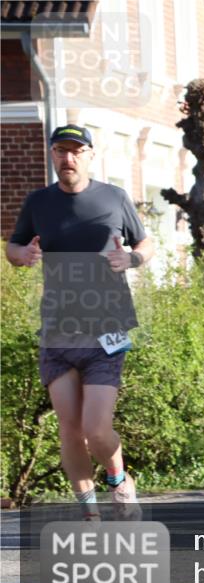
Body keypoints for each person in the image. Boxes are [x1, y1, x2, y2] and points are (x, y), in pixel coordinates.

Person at [6, 124, 155, 521]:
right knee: (70, 430)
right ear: (53, 155)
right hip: (57, 330)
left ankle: (119, 480)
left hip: (106, 329)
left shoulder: (114, 197)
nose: (68, 158)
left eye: (76, 151)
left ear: (90, 154)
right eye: (61, 151)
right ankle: (90, 514)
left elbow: (145, 243)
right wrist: (22, 255)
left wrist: (132, 259)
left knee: (96, 429)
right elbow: (14, 246)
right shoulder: (39, 202)